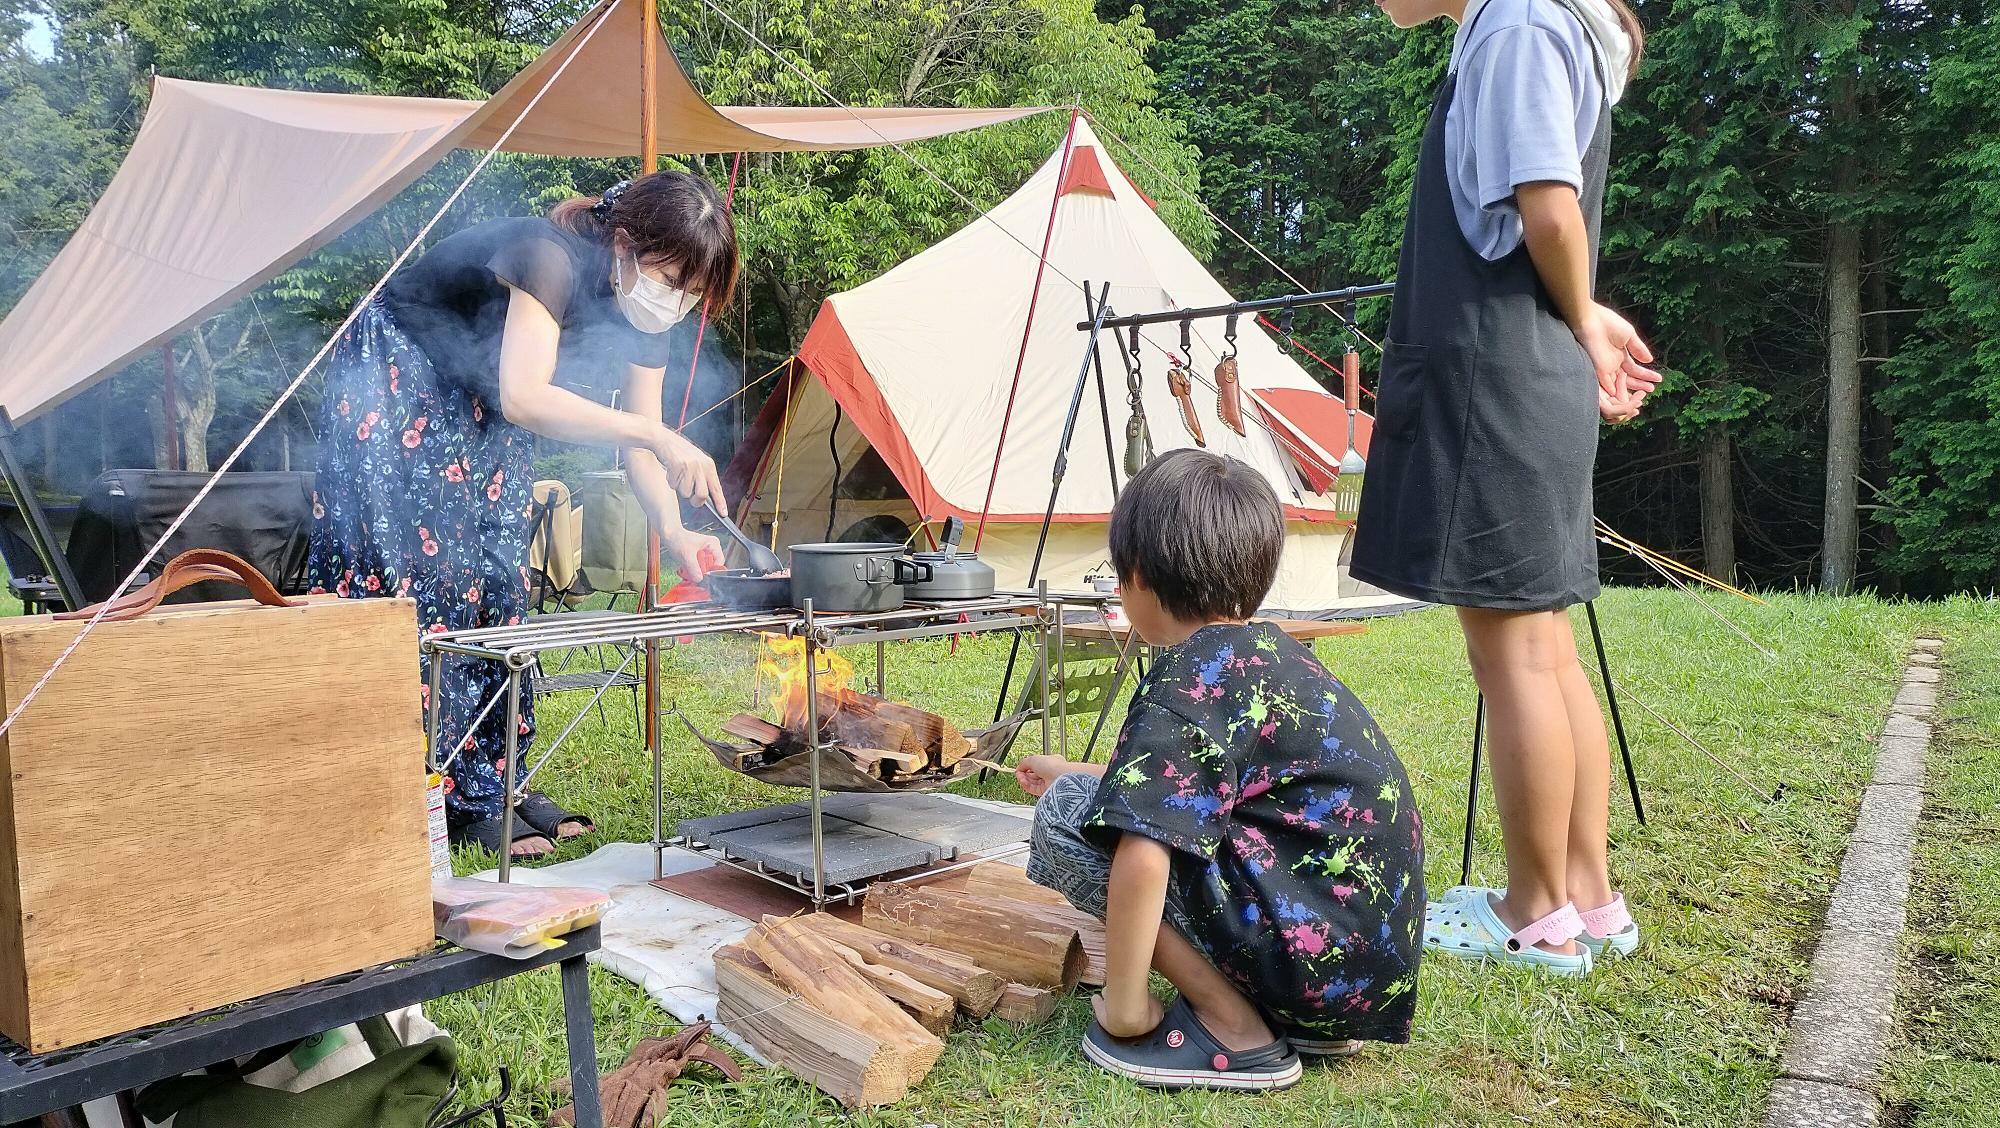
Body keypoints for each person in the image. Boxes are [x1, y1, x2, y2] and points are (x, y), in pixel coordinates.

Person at [1349, 0, 1659, 974]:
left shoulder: (1519, 21)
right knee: (1545, 648)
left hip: (1496, 374)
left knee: (1516, 659)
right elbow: (1543, 214)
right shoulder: (1532, 20)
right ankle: (1585, 898)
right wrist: (1582, 318)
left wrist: (1579, 319)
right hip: (1520, 373)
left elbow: (1547, 206)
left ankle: (1531, 915)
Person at [308, 172, 736, 860]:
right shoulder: (547, 254)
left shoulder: (644, 315)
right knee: (415, 584)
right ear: (624, 245)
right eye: (672, 278)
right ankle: (417, 787)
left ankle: (491, 781)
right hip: (400, 375)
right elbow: (525, 395)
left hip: (481, 400)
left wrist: (675, 529)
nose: (677, 301)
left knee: (494, 579)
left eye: (693, 290)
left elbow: (639, 442)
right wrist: (656, 435)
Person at [1015, 450, 1424, 1092]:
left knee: (1066, 818)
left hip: (1300, 958)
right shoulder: (1271, 655)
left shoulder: (1184, 682)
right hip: (1359, 969)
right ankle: (1299, 1020)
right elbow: (1215, 784)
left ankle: (1232, 1025)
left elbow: (1145, 851)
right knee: (1084, 788)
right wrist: (1078, 765)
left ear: (1139, 575)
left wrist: (1125, 1010)